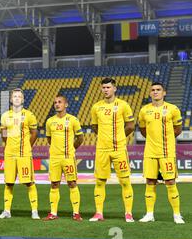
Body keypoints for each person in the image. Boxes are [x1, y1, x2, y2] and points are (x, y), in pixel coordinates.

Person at [89, 78, 135, 222]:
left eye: (108, 87)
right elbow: (94, 126)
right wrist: (104, 137)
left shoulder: (123, 105)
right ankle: (99, 213)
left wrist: (119, 137)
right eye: (103, 87)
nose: (105, 90)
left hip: (119, 149)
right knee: (99, 181)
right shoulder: (96, 107)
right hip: (102, 149)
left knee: (125, 181)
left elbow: (130, 126)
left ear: (114, 89)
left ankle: (128, 213)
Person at [138, 82, 184, 224]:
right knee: (150, 181)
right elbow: (143, 130)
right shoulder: (144, 110)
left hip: (167, 152)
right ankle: (149, 214)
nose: (155, 92)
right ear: (150, 93)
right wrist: (153, 141)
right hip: (150, 151)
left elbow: (178, 129)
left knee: (170, 181)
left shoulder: (172, 109)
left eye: (158, 90)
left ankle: (177, 215)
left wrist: (166, 140)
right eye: (153, 90)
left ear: (164, 93)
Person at [0, 88, 39, 219]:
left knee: (29, 182)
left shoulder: (29, 115)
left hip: (24, 153)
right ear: (11, 99)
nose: (16, 98)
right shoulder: (5, 115)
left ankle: (34, 211)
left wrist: (27, 146)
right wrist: (8, 144)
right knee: (8, 183)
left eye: (19, 96)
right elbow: (3, 133)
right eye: (14, 96)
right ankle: (7, 211)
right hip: (9, 153)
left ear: (23, 99)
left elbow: (34, 133)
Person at [43, 95, 84, 221]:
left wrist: (72, 149)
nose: (57, 104)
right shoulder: (50, 121)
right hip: (55, 158)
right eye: (55, 102)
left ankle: (76, 213)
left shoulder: (73, 120)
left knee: (72, 183)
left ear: (66, 104)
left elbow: (80, 137)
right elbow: (49, 139)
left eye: (60, 102)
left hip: (68, 157)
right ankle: (53, 213)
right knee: (54, 184)